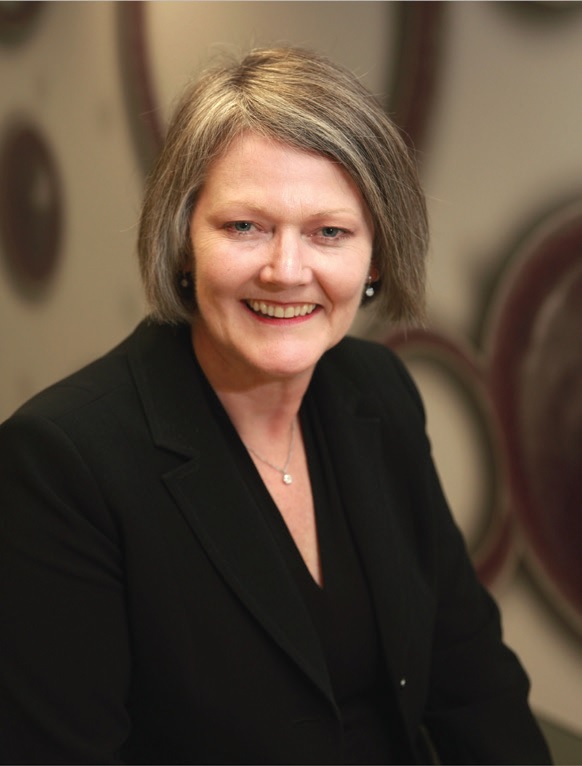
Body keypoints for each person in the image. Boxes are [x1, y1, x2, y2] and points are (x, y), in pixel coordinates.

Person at [0, 47, 551, 765]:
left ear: (376, 257)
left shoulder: (379, 392)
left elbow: (472, 683)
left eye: (329, 232)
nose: (287, 272)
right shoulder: (62, 464)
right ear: (183, 239)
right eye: (245, 227)